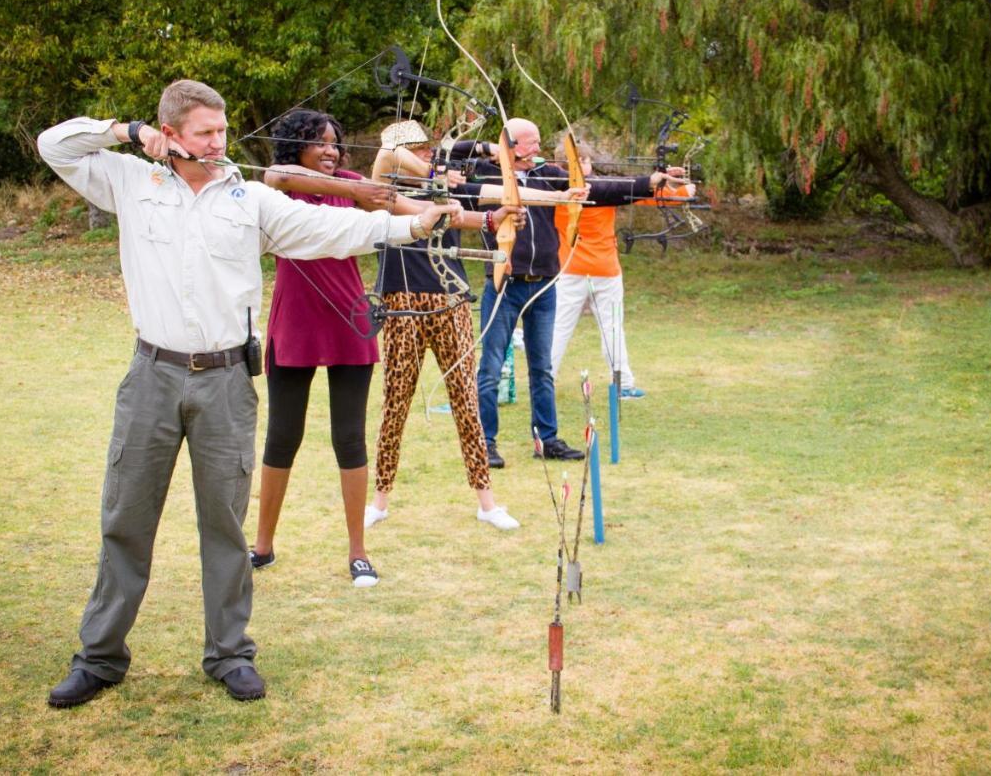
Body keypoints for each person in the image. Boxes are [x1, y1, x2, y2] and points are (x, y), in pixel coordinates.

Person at [37, 80, 454, 707]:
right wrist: (124, 132)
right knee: (126, 518)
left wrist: (412, 223)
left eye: (223, 131)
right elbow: (54, 146)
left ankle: (229, 653)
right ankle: (99, 658)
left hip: (227, 380)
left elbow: (325, 229)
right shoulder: (130, 181)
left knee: (225, 525)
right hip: (151, 374)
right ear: (170, 134)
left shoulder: (250, 198)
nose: (218, 142)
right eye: (204, 132)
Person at [249, 109, 450, 584]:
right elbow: (275, 173)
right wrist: (355, 190)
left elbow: (414, 213)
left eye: (335, 142)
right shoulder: (281, 187)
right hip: (295, 320)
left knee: (349, 438)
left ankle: (358, 552)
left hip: (348, 319)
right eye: (319, 142)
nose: (331, 150)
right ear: (295, 144)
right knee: (282, 437)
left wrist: (481, 214)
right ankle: (261, 545)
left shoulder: (356, 183)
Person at [364, 121, 580, 531]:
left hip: (451, 301)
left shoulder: (447, 191)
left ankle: (487, 503)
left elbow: (498, 195)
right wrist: (453, 162)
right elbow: (387, 151)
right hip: (401, 302)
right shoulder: (384, 190)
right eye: (422, 151)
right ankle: (379, 501)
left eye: (431, 151)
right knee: (396, 402)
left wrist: (560, 197)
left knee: (466, 400)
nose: (429, 157)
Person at [469, 118, 682, 469]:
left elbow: (599, 189)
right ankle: (485, 443)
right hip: (504, 283)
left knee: (542, 368)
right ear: (508, 145)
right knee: (490, 367)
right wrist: (490, 154)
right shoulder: (486, 178)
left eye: (538, 142)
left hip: (544, 283)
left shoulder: (547, 174)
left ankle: (546, 438)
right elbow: (462, 174)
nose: (537, 149)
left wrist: (651, 182)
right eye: (530, 142)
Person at [548, 140, 694, 399]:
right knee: (597, 327)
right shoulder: (603, 189)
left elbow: (644, 194)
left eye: (584, 160)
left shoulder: (554, 187)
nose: (582, 164)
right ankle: (620, 384)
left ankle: (552, 382)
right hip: (594, 270)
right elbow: (644, 193)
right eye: (576, 161)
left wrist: (672, 186)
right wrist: (683, 190)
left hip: (579, 269)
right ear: (564, 166)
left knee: (572, 327)